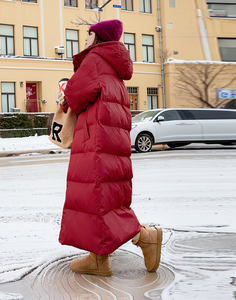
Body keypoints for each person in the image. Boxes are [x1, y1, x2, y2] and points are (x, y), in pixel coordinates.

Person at [57, 19, 162, 276]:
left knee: (95, 198)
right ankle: (98, 260)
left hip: (94, 144)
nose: (84, 40)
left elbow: (76, 96)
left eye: (88, 34)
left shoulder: (94, 61)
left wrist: (63, 94)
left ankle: (144, 237)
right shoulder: (114, 68)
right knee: (105, 200)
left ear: (98, 38)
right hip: (110, 145)